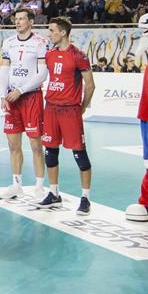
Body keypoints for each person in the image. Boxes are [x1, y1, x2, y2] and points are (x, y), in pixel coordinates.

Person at [36, 18, 95, 215]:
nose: (49, 34)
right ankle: (54, 194)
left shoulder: (79, 56)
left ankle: (85, 198)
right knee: (50, 152)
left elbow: (90, 84)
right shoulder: (50, 55)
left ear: (62, 33)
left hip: (70, 111)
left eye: (52, 30)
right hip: (51, 108)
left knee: (80, 154)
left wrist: (82, 107)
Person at [0, 8, 50, 200]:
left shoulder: (40, 42)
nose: (18, 22)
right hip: (12, 98)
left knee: (36, 144)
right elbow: (4, 70)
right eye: (16, 19)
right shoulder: (8, 42)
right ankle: (16, 185)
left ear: (31, 22)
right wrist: (3, 95)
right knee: (13, 145)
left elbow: (42, 73)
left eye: (21, 19)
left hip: (31, 97)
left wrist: (21, 90)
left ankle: (39, 186)